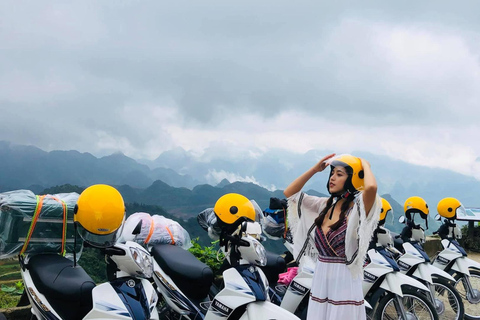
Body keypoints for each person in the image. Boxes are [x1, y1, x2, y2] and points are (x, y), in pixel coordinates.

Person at [283, 153, 381, 320]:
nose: (332, 178)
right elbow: (289, 193)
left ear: (353, 180)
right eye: (332, 173)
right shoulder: (323, 205)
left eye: (339, 174)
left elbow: (371, 188)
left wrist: (364, 165)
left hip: (344, 280)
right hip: (322, 276)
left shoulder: (357, 210)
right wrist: (315, 170)